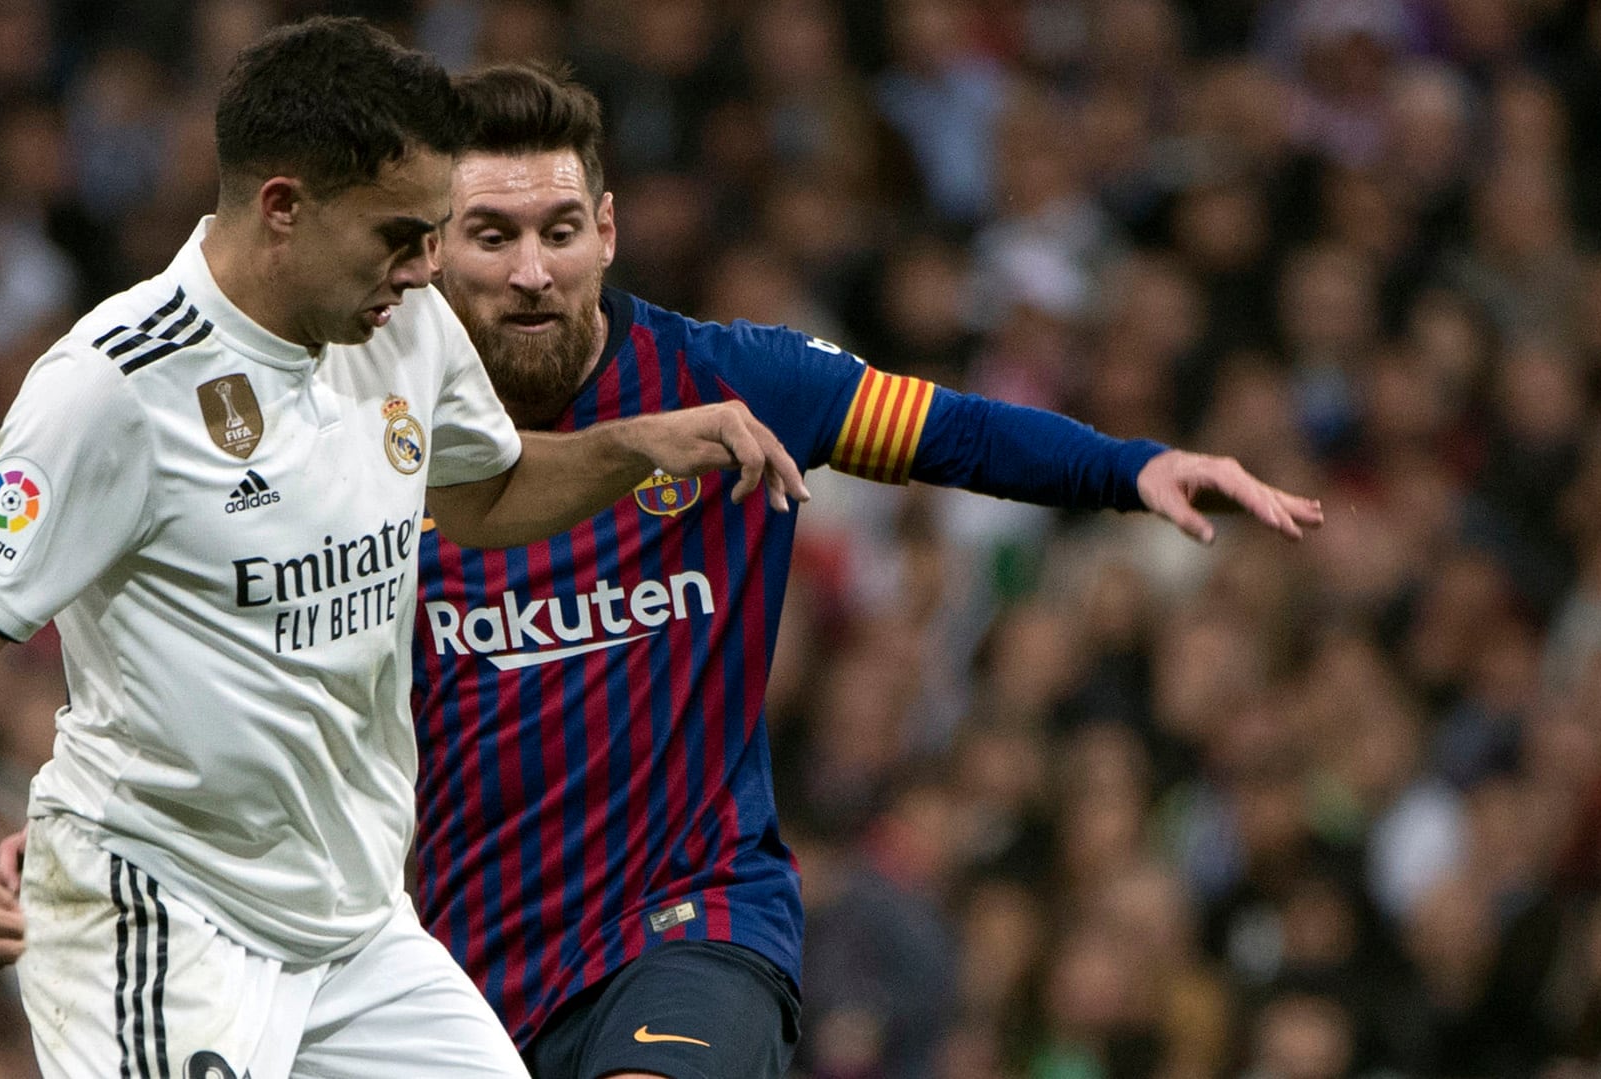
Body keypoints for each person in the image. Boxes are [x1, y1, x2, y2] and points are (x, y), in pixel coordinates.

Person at [0, 20, 805, 1079]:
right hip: (165, 918)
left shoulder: (400, 324)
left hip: (354, 927)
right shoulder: (112, 389)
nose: (427, 265)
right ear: (283, 208)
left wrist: (633, 447)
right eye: (400, 235)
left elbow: (483, 491)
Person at [407, 64, 1324, 1079]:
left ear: (608, 231)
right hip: (458, 957)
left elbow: (952, 431)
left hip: (685, 922)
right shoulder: (371, 433)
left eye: (561, 229)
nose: (534, 268)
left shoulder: (732, 382)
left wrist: (1131, 464)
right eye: (494, 234)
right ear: (434, 244)